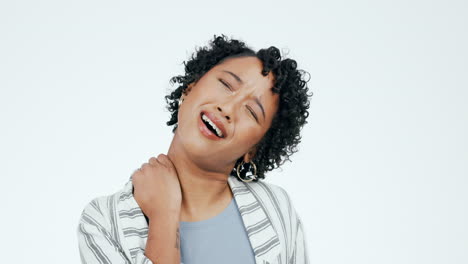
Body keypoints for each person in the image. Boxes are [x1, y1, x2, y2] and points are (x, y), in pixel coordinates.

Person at [77, 34, 313, 264]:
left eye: (251, 111)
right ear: (190, 87)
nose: (227, 108)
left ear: (253, 149)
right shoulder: (102, 221)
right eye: (226, 84)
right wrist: (164, 216)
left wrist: (165, 215)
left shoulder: (275, 208)